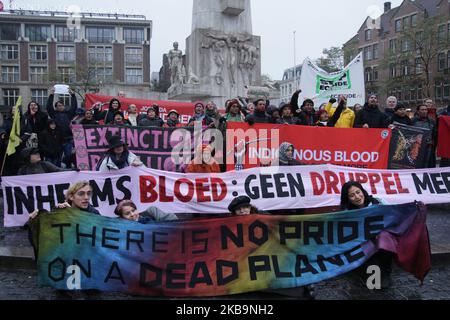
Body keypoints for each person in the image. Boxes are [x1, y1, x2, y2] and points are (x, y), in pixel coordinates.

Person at [340, 181, 392, 289]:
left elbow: (393, 215)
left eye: (358, 192)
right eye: (352, 195)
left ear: (362, 191)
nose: (357, 197)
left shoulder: (378, 202)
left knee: (385, 237)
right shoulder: (346, 213)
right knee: (371, 279)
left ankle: (386, 272)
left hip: (381, 243)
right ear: (348, 199)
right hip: (362, 245)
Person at [46, 87, 78, 168]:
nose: (60, 107)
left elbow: (74, 107)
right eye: (58, 106)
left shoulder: (68, 114)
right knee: (58, 159)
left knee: (68, 156)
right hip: (58, 141)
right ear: (56, 107)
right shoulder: (54, 114)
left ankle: (68, 169)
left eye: (62, 105)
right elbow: (49, 107)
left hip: (68, 140)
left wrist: (73, 95)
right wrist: (51, 95)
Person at [114, 200, 178, 223]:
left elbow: (174, 222)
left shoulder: (149, 218)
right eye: (127, 213)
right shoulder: (121, 230)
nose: (132, 214)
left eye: (133, 210)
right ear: (122, 217)